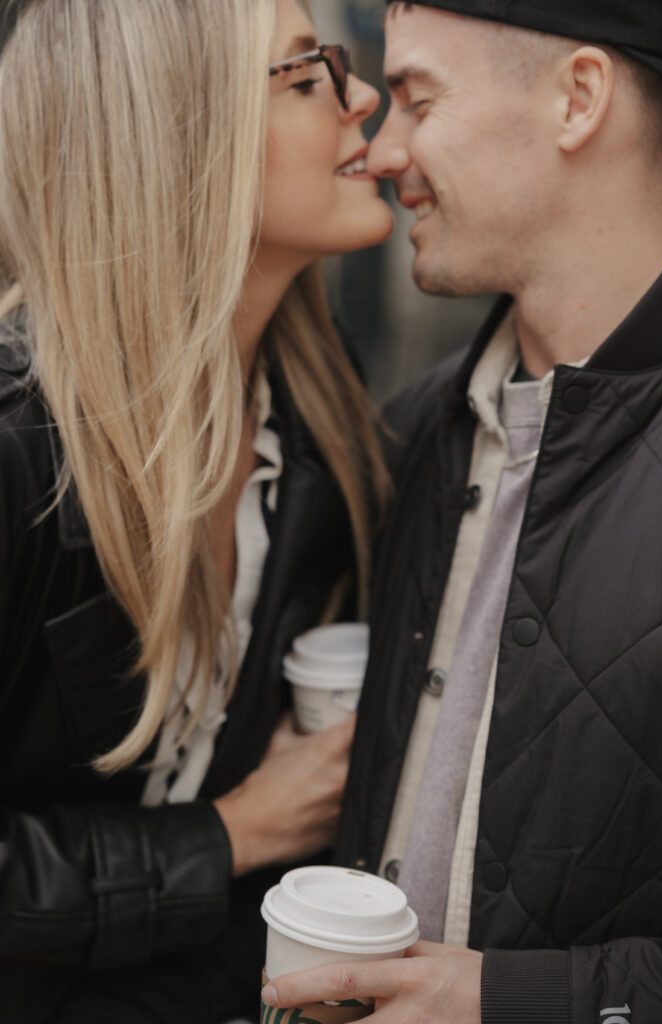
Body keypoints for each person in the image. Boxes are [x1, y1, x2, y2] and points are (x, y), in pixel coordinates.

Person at [261, 1, 662, 1022]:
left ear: (576, 99)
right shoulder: (410, 432)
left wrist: (509, 999)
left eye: (414, 97)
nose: (379, 149)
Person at [0, 0, 394, 1021]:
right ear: (180, 135)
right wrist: (237, 830)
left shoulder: (317, 416)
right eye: (306, 78)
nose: (361, 101)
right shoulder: (17, 446)